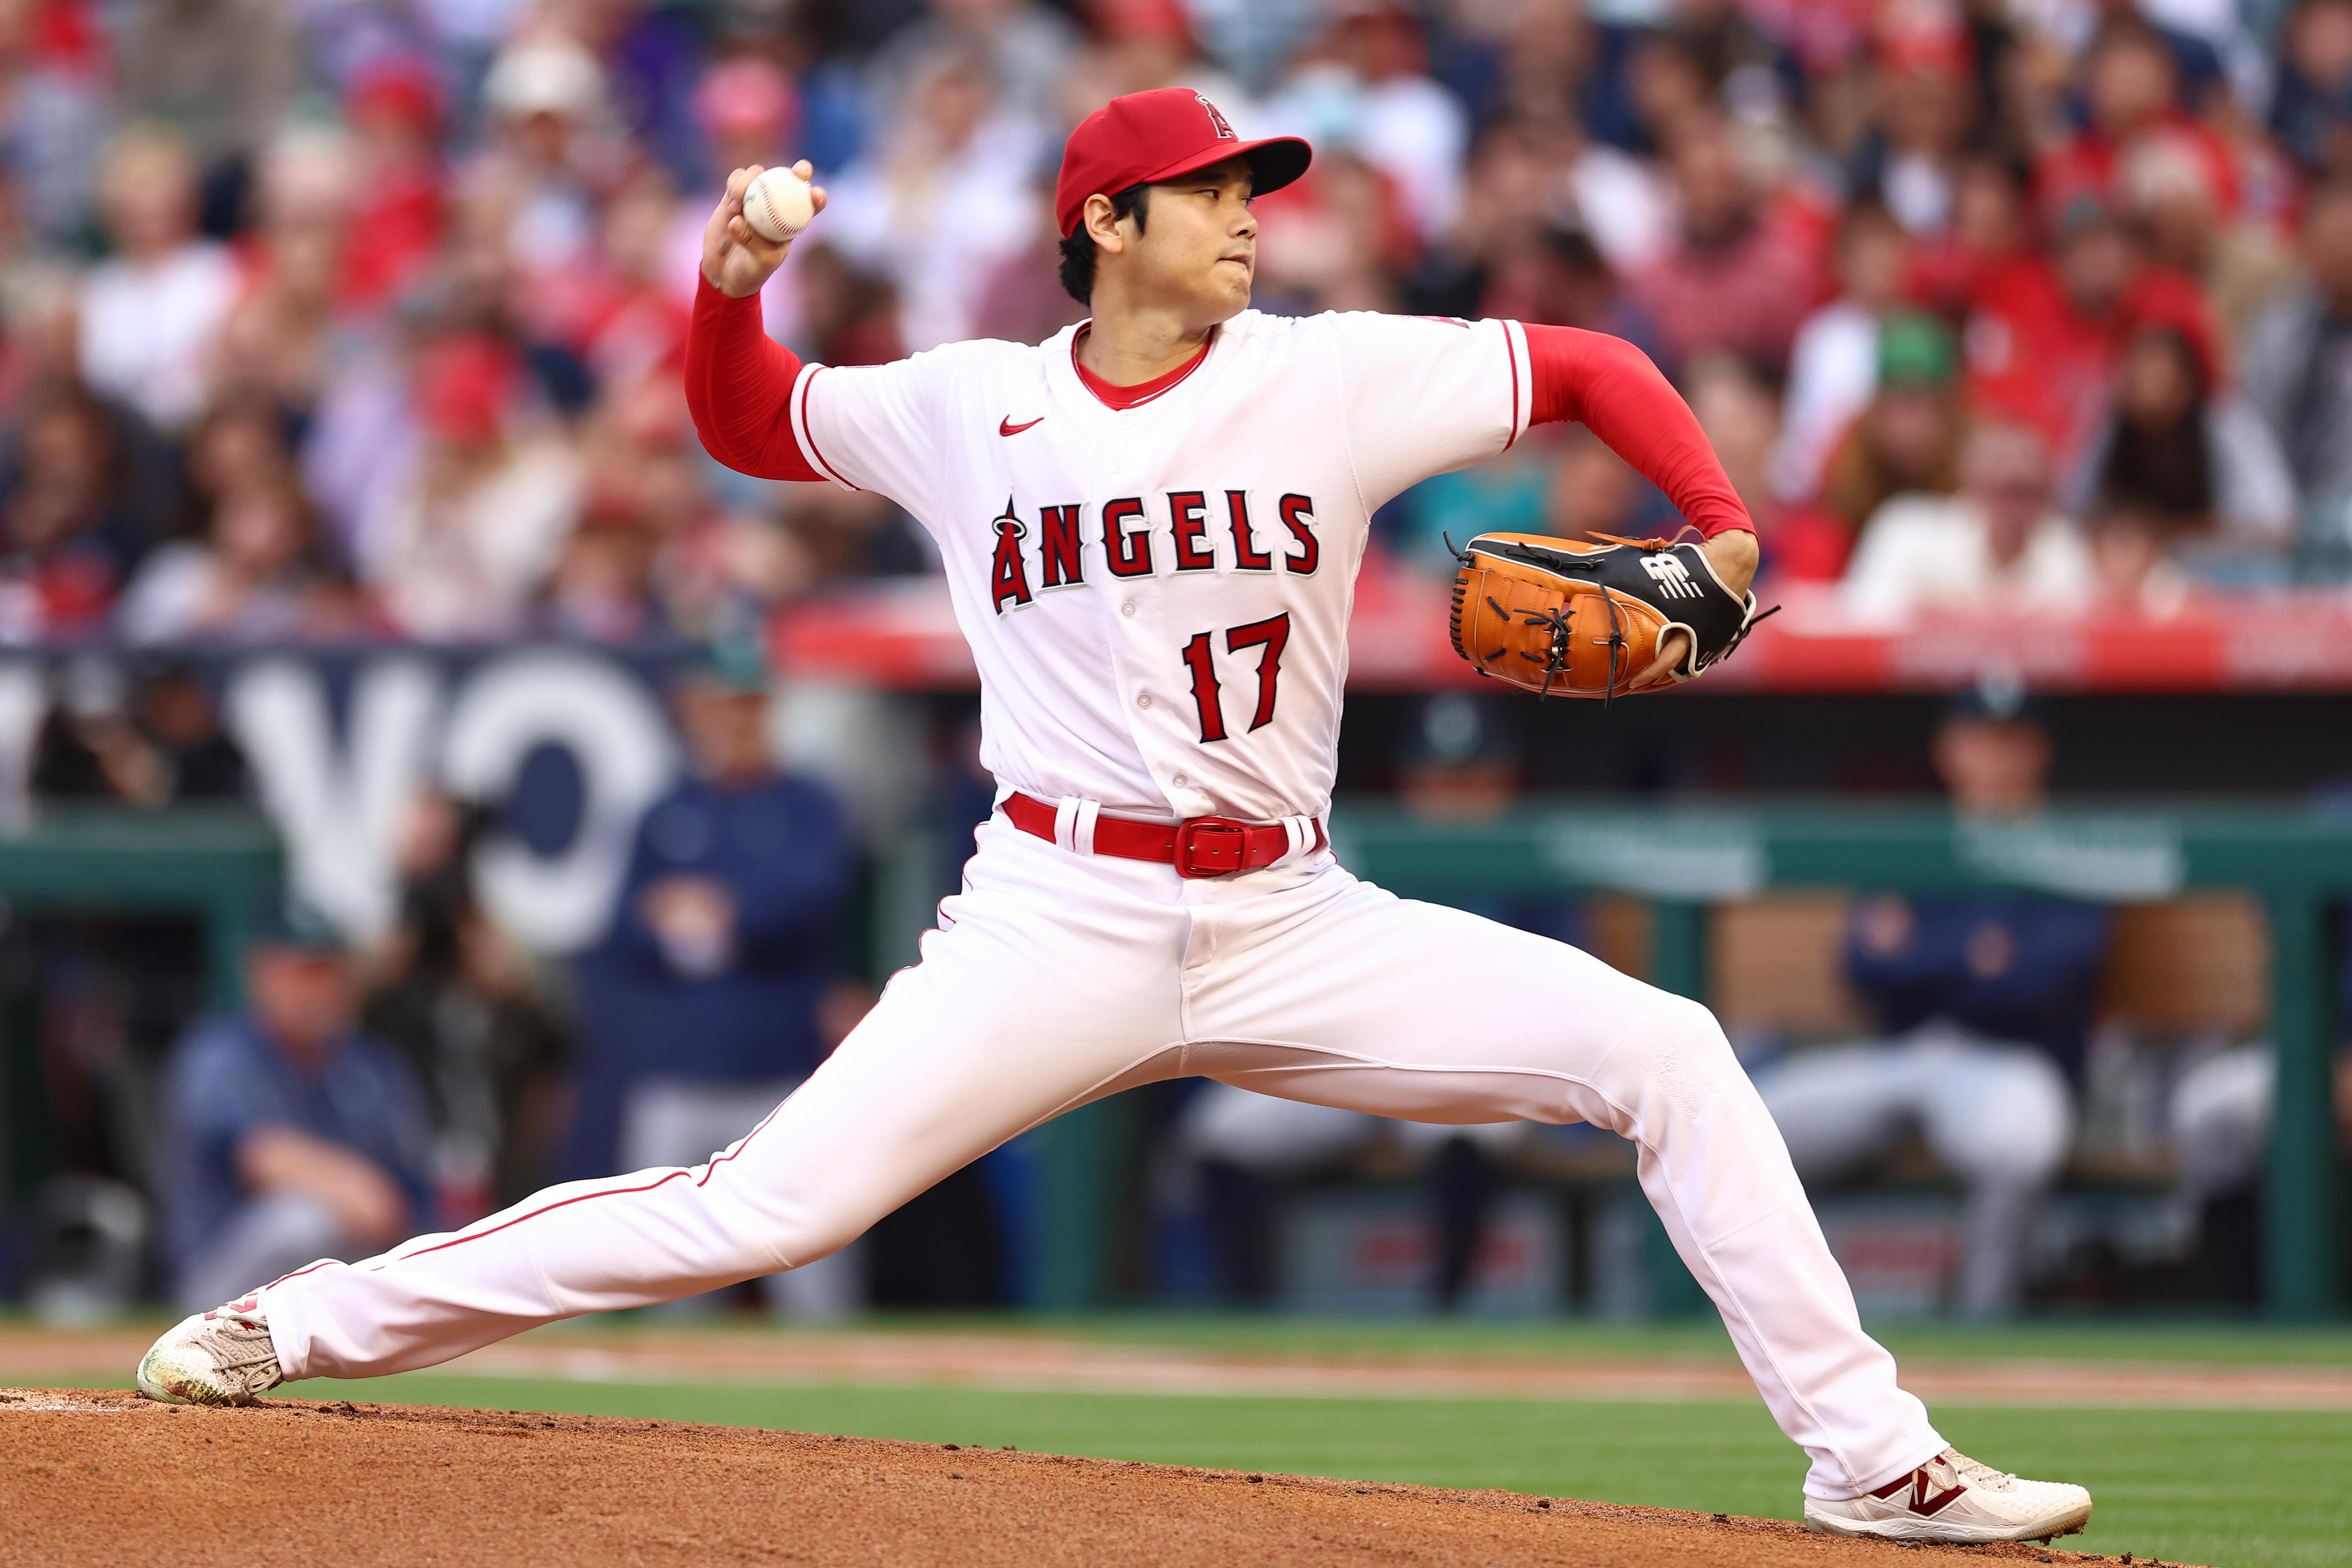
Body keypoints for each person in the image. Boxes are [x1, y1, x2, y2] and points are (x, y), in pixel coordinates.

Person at [139, 88, 2091, 1548]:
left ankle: (1871, 1456)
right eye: (1217, 191)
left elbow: (1584, 363)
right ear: (1109, 219)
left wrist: (1720, 522)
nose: (1251, 217)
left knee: (1659, 1045)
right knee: (758, 1204)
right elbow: (745, 425)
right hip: (1051, 914)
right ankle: (292, 1321)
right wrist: (728, 283)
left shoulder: (1328, 375)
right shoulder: (976, 402)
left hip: (1296, 910)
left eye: (1259, 190)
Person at [1750, 686, 2110, 1318]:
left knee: (2019, 1147)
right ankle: (1772, 1325)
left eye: (2011, 739)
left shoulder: (2076, 847)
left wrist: (1921, 956)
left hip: (2014, 1062)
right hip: (1902, 1053)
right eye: (1980, 738)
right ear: (1949, 750)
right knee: (1742, 1131)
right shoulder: (1916, 840)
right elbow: (1862, 965)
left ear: (2038, 750)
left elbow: (2041, 980)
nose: (1995, 757)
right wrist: (1972, 956)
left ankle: (1983, 1329)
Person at [571, 638, 864, 1317]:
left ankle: (848, 1418)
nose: (735, 720)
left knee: (815, 1269)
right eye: (722, 705)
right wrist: (670, 916)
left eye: (748, 705)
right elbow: (621, 926)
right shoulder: (665, 809)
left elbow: (814, 895)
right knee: (669, 1276)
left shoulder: (807, 802)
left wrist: (724, 910)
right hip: (679, 1069)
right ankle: (676, 1427)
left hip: (783, 1070)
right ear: (695, 709)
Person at [156, 902, 434, 1313]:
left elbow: (414, 1185)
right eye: (299, 973)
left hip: (351, 1260)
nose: (314, 989)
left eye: (326, 972)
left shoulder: (371, 1066)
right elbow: (263, 1157)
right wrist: (358, 1191)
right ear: (261, 975)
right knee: (304, 1220)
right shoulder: (220, 1054)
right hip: (220, 1280)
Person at [1840, 419, 2095, 624]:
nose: (2017, 507)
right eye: (2008, 490)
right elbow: (1860, 617)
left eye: (2029, 492)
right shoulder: (1904, 529)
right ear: (1973, 486)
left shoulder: (2063, 547)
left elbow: (2087, 627)